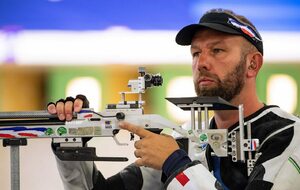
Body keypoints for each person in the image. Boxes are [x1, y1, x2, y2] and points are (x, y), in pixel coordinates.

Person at [48, 9, 300, 190]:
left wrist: (176, 164)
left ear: (252, 64)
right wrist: (70, 146)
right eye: (196, 53)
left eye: (217, 50)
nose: (201, 63)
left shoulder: (289, 136)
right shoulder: (184, 141)